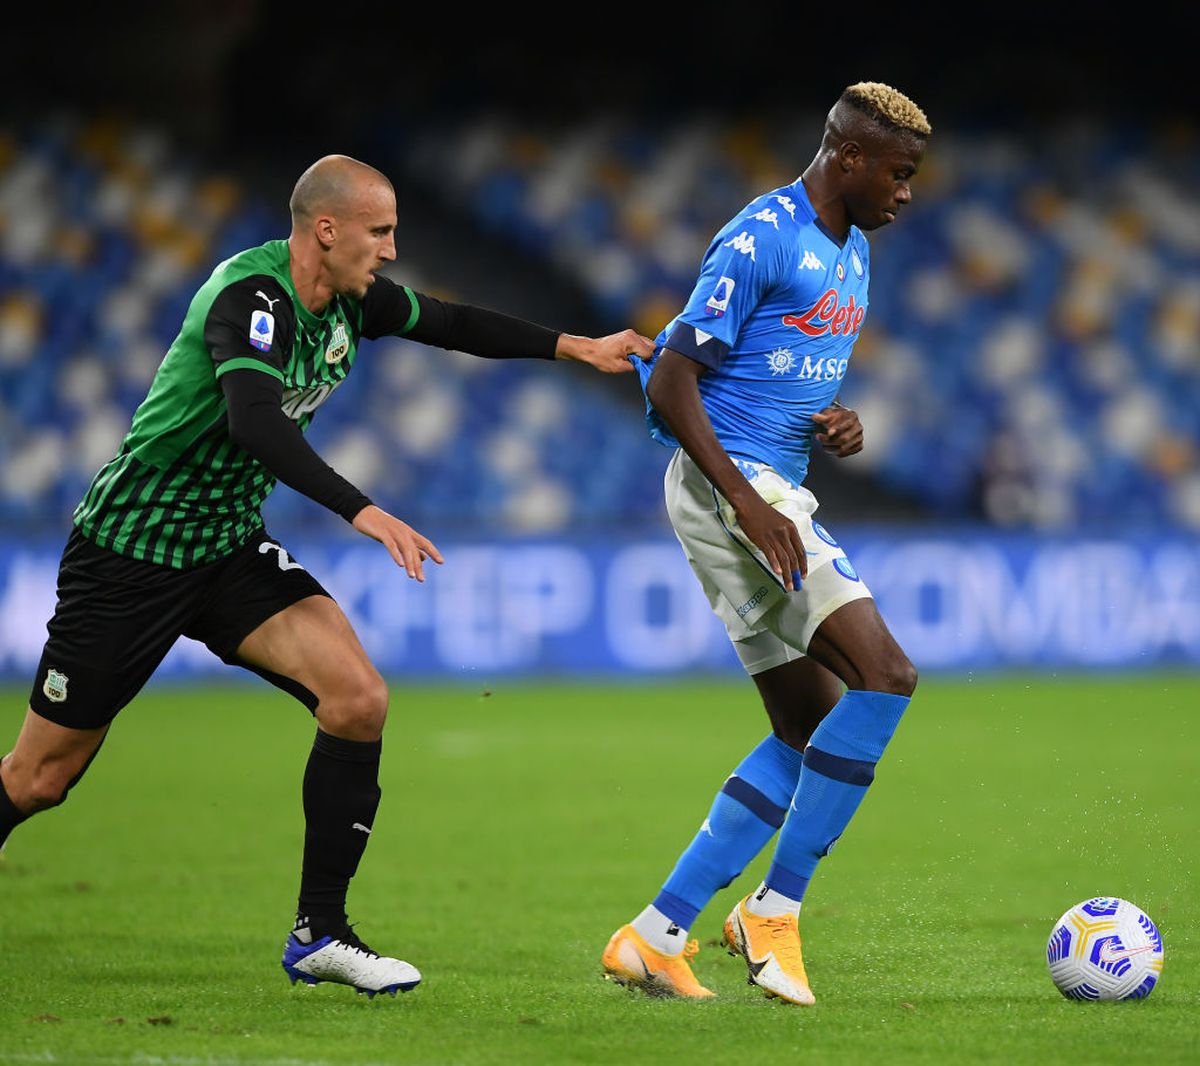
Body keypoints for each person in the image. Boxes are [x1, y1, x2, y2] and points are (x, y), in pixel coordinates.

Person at [0, 155, 654, 998]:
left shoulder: (353, 303)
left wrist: (575, 346)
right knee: (40, 777)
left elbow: (451, 323)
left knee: (358, 699)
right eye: (379, 232)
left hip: (224, 547)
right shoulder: (250, 299)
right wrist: (363, 510)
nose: (389, 251)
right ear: (327, 229)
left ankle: (320, 933)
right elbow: (254, 423)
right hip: (131, 553)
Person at [601, 83, 929, 1005]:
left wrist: (834, 421)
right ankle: (773, 909)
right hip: (735, 487)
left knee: (805, 724)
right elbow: (670, 380)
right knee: (887, 674)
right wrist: (747, 499)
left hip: (761, 478)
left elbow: (777, 366)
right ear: (849, 158)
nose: (906, 194)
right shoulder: (760, 236)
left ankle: (656, 935)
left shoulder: (853, 248)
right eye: (898, 175)